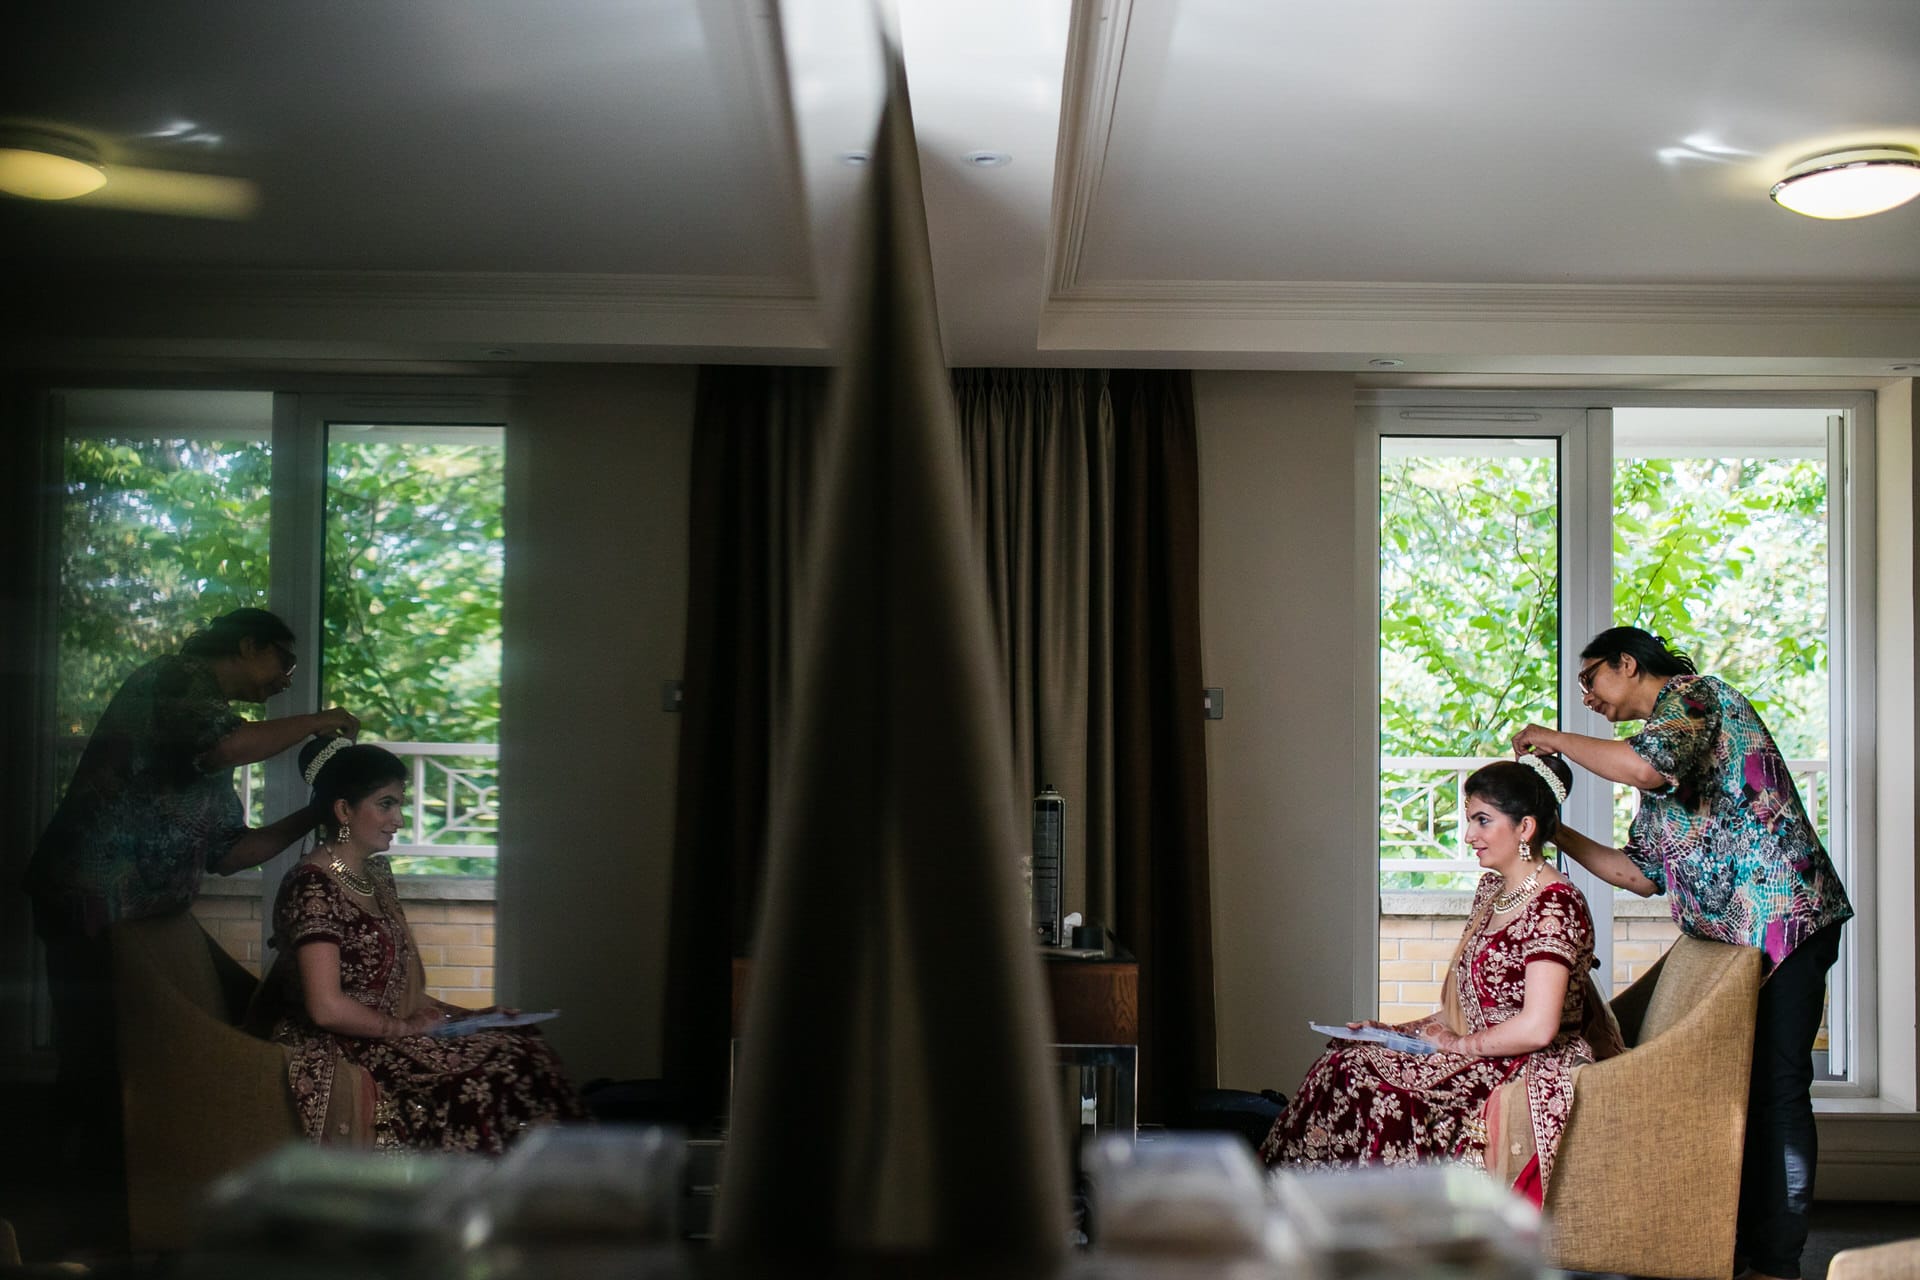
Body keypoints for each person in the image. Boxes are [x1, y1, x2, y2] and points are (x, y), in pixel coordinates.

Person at [1511, 627, 1852, 1280]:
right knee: (1752, 1093)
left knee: (1778, 1091)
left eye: (1591, 680)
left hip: (1785, 921)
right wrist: (1553, 834)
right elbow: (1638, 874)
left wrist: (1551, 739)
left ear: (1628, 663)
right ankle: (1744, 1250)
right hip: (1742, 943)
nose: (1586, 697)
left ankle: (1777, 1265)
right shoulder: (1662, 783)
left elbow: (1643, 763)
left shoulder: (1697, 700)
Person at [25, 608, 360, 1158]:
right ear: (249, 645)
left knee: (200, 1017)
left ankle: (113, 1168)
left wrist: (316, 813)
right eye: (284, 662)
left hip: (143, 912)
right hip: (89, 896)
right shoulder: (175, 679)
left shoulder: (204, 724)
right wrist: (317, 720)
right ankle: (90, 1188)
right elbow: (225, 745)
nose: (285, 680)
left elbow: (231, 853)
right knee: (98, 1047)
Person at [1261, 755, 1616, 1206]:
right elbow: (1469, 1008)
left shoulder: (1555, 904)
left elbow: (1537, 1027)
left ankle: (1366, 1227)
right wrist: (1395, 1033)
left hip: (1523, 1062)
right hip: (1483, 1050)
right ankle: (1290, 1212)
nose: (1470, 835)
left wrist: (1454, 1046)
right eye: (1470, 820)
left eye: (1483, 821)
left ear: (1525, 828)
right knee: (1345, 1054)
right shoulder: (1494, 891)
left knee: (1363, 1080)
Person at [251, 738, 587, 1151]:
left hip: (382, 1031)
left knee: (523, 1043)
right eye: (386, 804)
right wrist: (405, 1029)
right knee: (486, 1078)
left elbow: (391, 989)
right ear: (343, 810)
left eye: (399, 805)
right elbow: (326, 1007)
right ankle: (480, 1202)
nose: (398, 819)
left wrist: (474, 1017)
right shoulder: (313, 885)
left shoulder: (373, 877)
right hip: (341, 1043)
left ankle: (560, 1195)